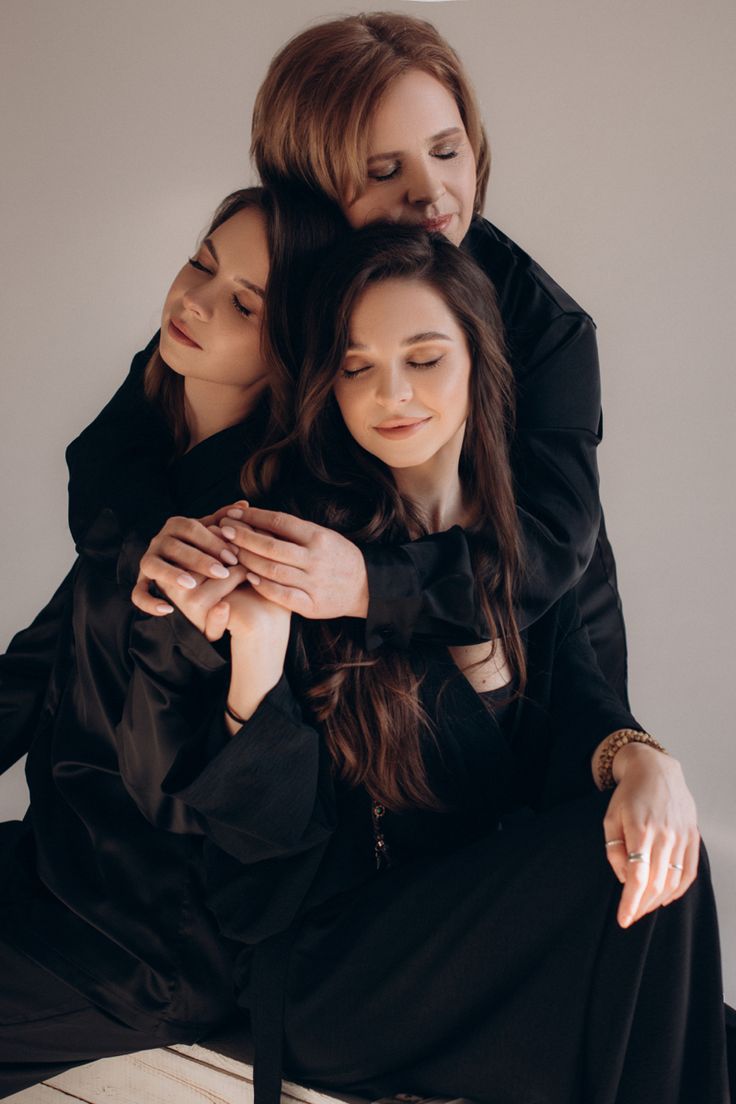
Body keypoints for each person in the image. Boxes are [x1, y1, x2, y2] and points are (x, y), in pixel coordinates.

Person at [125, 226, 729, 1104]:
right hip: (335, 974)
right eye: (357, 366)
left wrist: (643, 759)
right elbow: (256, 882)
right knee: (635, 888)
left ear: (479, 362)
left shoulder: (529, 544)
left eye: (423, 358)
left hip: (484, 939)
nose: (390, 394)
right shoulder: (298, 542)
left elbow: (581, 707)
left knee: (664, 847)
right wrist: (256, 655)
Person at [130, 10, 627, 705]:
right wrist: (148, 552)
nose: (431, 193)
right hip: (357, 696)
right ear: (313, 190)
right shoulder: (279, 279)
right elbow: (120, 443)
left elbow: (548, 555)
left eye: (447, 151)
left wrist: (366, 583)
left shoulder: (549, 329)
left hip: (541, 677)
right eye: (386, 170)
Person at [0, 185, 346, 1099]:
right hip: (48, 863)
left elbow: (185, 805)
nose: (194, 301)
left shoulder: (250, 530)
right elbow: (40, 661)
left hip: (140, 943)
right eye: (202, 262)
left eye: (244, 303)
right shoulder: (142, 468)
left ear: (293, 347)